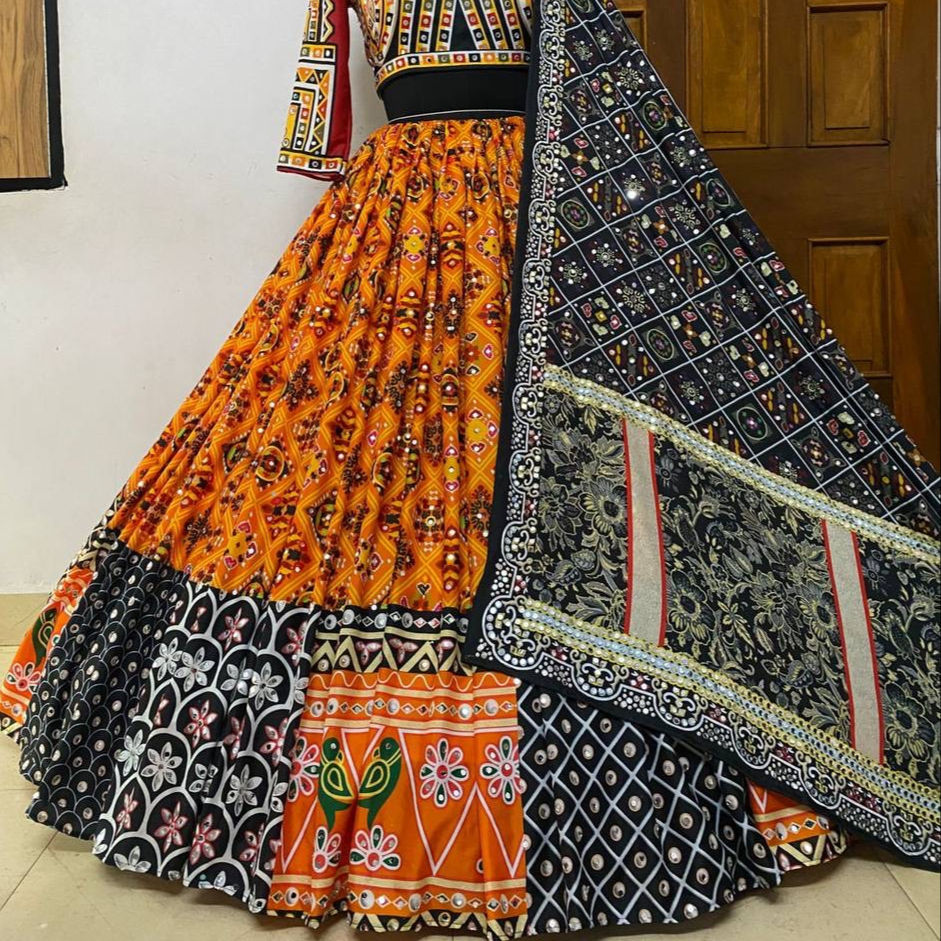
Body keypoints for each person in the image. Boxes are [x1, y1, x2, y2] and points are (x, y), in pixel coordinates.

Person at [3, 0, 937, 936]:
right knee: (324, 452)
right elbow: (320, 127)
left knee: (562, 471)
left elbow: (602, 92)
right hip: (390, 227)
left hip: (539, 220)